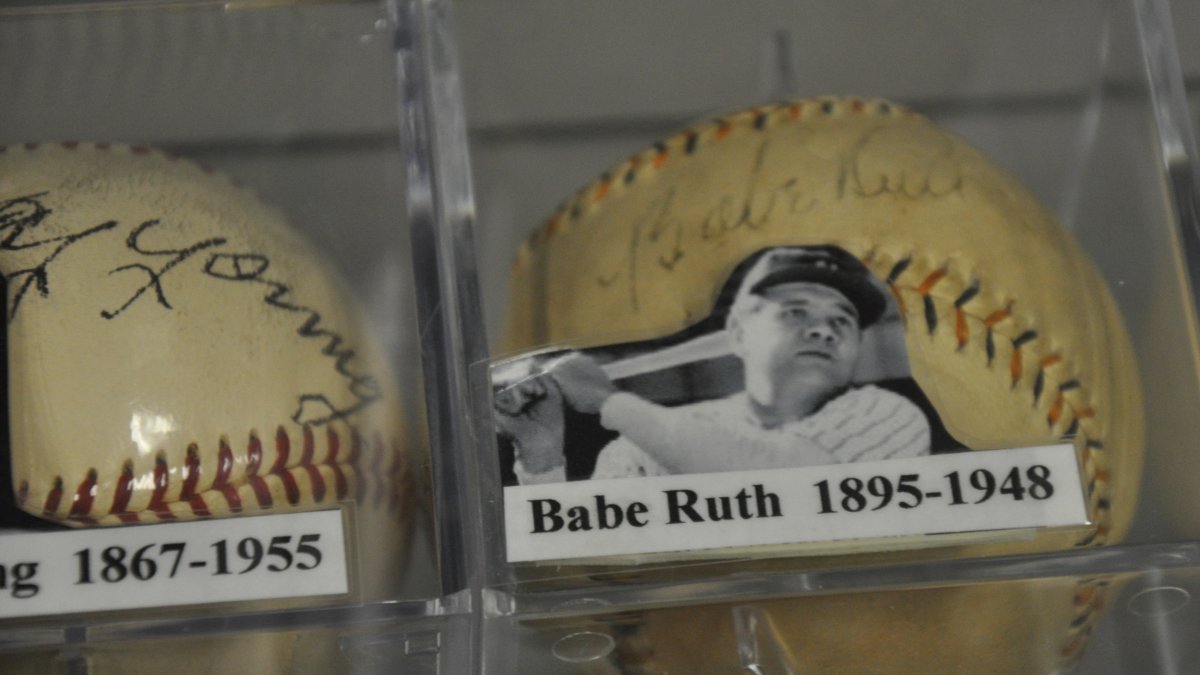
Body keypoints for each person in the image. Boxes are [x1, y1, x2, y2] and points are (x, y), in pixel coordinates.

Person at [497, 246, 931, 484]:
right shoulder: (644, 441)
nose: (824, 330)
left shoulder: (888, 415)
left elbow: (788, 484)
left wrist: (609, 403)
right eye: (796, 311)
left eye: (843, 319)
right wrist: (541, 456)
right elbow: (590, 565)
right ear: (739, 332)